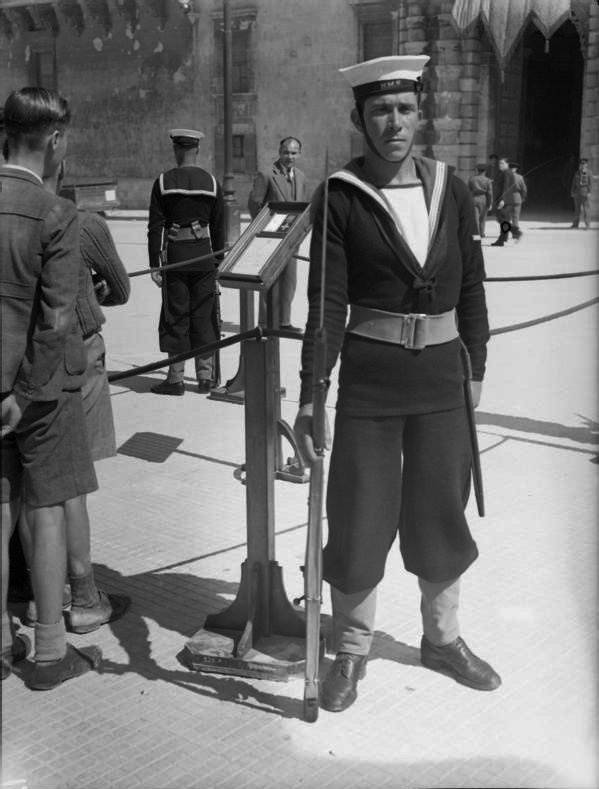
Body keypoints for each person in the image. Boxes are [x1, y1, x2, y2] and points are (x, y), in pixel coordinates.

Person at [294, 55, 501, 713]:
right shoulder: (339, 194)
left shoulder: (452, 188)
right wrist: (309, 390)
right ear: (359, 119)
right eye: (379, 110)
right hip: (371, 385)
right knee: (357, 513)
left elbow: (471, 286)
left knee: (440, 507)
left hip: (442, 377)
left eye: (404, 109)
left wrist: (477, 367)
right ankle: (350, 648)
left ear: (420, 114)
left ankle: (440, 639)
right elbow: (325, 301)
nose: (393, 122)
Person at [1, 87, 102, 688]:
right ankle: (47, 653)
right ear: (56, 140)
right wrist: (25, 394)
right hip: (40, 397)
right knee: (46, 514)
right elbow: (57, 318)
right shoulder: (56, 213)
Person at [16, 160, 132, 633]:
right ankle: (82, 596)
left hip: (15, 365)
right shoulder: (79, 222)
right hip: (71, 357)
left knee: (25, 487)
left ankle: (41, 594)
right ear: (62, 165)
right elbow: (121, 289)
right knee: (69, 482)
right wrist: (92, 289)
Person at [148, 129, 225, 395]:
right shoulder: (212, 182)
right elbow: (219, 227)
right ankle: (205, 377)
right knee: (204, 314)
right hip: (204, 256)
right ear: (197, 150)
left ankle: (176, 379)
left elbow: (154, 227)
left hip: (176, 258)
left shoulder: (163, 182)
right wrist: (218, 261)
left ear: (176, 149)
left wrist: (154, 263)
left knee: (176, 315)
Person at [248, 136, 307, 331]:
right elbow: (254, 204)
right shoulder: (266, 175)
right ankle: (265, 323)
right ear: (279, 152)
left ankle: (284, 322)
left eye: (293, 153)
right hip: (271, 238)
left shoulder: (301, 176)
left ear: (299, 154)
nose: (289, 156)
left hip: (292, 239)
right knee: (269, 281)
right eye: (286, 152)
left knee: (289, 281)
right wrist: (264, 231)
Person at [491, 155, 517, 247]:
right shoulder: (505, 172)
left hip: (504, 201)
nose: (500, 165)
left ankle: (515, 231)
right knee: (503, 219)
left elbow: (506, 187)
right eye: (499, 163)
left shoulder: (506, 173)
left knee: (502, 219)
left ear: (507, 164)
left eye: (502, 163)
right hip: (506, 200)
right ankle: (502, 239)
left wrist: (502, 200)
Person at [468, 163, 493, 238]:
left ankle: (476, 234)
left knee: (475, 218)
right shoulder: (488, 180)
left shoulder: (472, 179)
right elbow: (489, 193)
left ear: (477, 170)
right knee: (483, 217)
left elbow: (468, 191)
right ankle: (482, 233)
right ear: (485, 171)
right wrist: (490, 203)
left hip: (474, 199)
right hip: (484, 199)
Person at [570, 157, 592, 229]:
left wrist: (589, 192)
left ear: (586, 165)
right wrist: (572, 191)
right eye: (581, 164)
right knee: (577, 209)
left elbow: (590, 184)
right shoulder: (577, 172)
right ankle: (575, 224)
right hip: (577, 193)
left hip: (585, 193)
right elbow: (573, 183)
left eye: (584, 164)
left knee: (586, 209)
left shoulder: (589, 173)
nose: (582, 166)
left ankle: (587, 225)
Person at [508, 162, 527, 240]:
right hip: (517, 197)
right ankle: (515, 234)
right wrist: (523, 198)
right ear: (515, 169)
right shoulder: (520, 177)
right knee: (515, 217)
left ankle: (504, 235)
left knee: (506, 217)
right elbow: (524, 189)